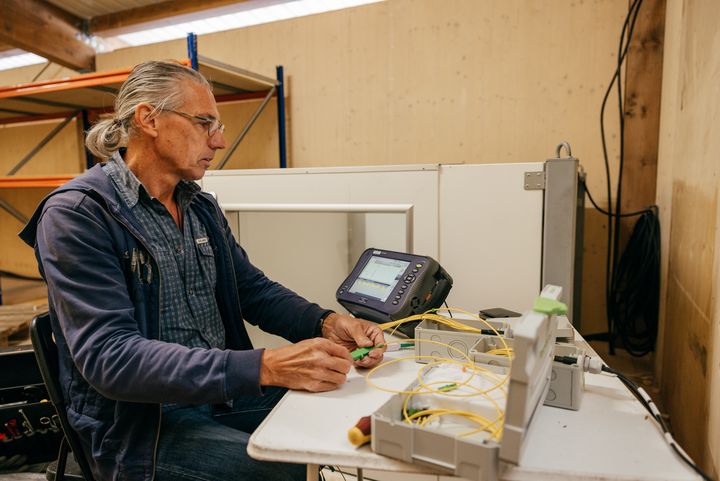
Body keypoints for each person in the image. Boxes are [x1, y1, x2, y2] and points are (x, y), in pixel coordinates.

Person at [19, 60, 386, 481]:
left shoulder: (199, 207)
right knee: (281, 469)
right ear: (149, 119)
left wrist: (326, 322)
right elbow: (111, 358)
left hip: (218, 396)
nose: (221, 140)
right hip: (140, 426)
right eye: (205, 123)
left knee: (343, 406)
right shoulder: (78, 216)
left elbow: (252, 290)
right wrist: (263, 366)